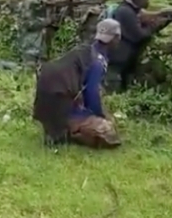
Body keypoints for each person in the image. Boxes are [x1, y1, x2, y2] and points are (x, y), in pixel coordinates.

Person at [33, 19, 123, 149]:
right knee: (108, 129)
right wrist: (100, 114)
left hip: (45, 104)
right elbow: (91, 92)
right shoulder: (98, 62)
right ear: (116, 37)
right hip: (64, 104)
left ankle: (57, 129)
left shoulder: (84, 50)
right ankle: (69, 131)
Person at [106, 0, 172, 91]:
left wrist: (162, 18)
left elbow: (143, 18)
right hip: (118, 59)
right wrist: (155, 25)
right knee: (112, 89)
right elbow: (139, 35)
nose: (148, 2)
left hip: (122, 58)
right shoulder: (126, 12)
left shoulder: (129, 9)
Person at [18, 0, 61, 68]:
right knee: (28, 69)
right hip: (31, 44)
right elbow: (28, 24)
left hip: (43, 46)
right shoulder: (32, 1)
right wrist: (48, 21)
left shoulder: (49, 1)